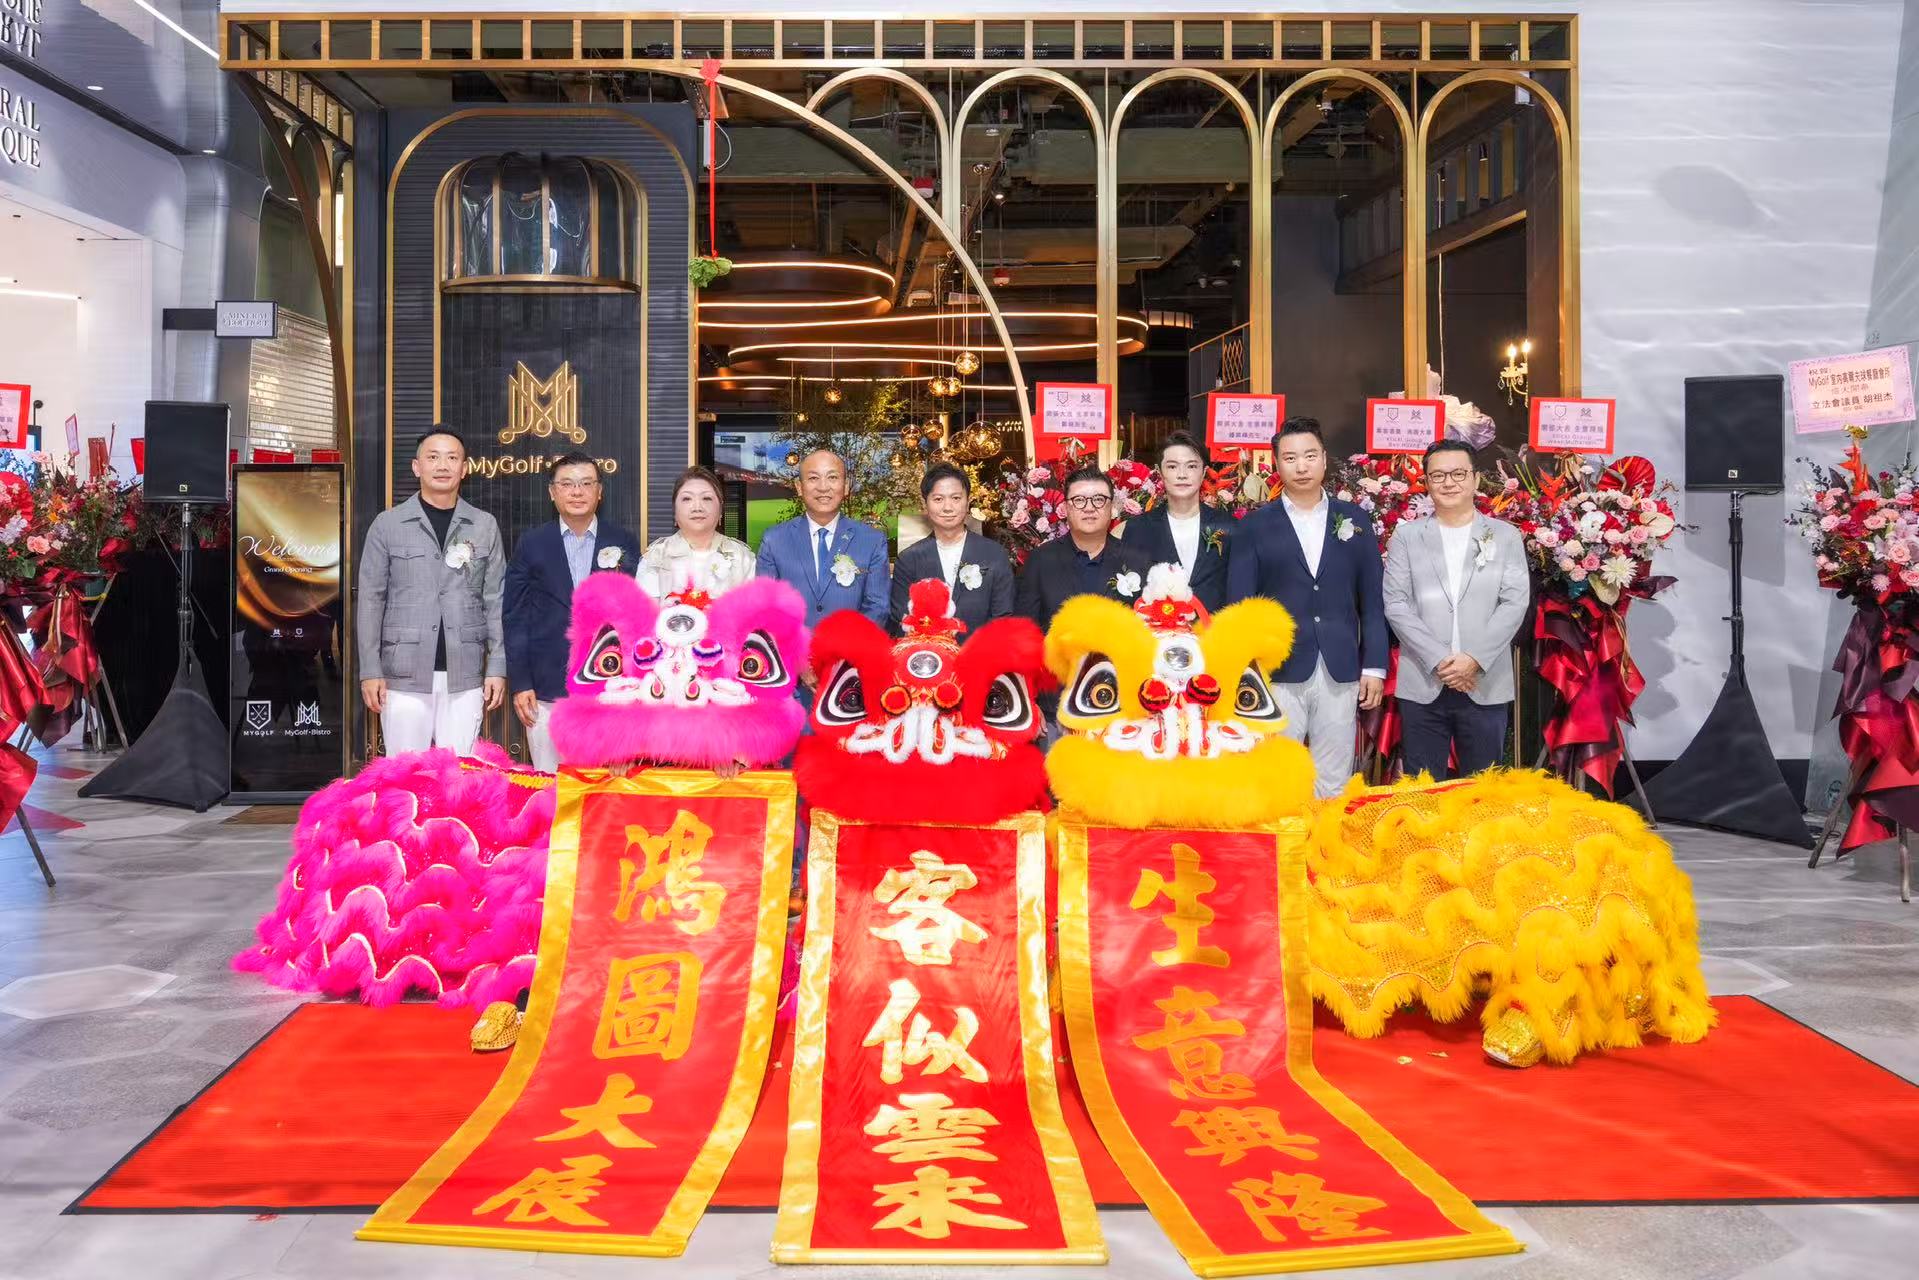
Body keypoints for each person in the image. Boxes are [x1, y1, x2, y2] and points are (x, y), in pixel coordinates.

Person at [1224, 417, 1387, 798]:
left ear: (1324, 459)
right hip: (1277, 672)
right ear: (1276, 464)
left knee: (1333, 780)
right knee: (1277, 780)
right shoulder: (1254, 527)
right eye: (1291, 458)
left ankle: (1327, 838)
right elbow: (1239, 606)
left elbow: (1372, 601)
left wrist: (1374, 666)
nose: (1301, 466)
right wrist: (1245, 672)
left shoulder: (1354, 519)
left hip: (1339, 668)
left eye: (1310, 456)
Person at [1383, 438, 1530, 780]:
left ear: (1476, 479)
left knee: (1483, 789)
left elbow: (1514, 602)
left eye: (1459, 474)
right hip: (1424, 680)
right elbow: (1396, 603)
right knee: (1423, 789)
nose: (1448, 482)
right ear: (1427, 482)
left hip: (1484, 680)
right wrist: (1439, 660)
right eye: (1438, 476)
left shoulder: (1504, 536)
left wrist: (1473, 659)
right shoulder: (1406, 537)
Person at [356, 427, 505, 755]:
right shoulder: (388, 525)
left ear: (464, 468)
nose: (442, 465)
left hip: (464, 674)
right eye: (433, 457)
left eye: (452, 458)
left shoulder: (484, 525)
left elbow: (495, 600)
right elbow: (370, 600)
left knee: (458, 774)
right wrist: (370, 669)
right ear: (416, 466)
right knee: (405, 773)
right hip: (402, 674)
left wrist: (497, 665)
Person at [501, 451, 644, 772]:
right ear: (552, 492)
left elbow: (635, 617)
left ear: (599, 491)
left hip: (608, 689)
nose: (577, 492)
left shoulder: (622, 541)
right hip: (546, 689)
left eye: (586, 483)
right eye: (567, 484)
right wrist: (521, 683)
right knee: (550, 782)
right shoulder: (532, 543)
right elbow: (515, 617)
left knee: (603, 786)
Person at [754, 449, 889, 631]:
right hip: (791, 647)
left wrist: (846, 645)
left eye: (832, 477)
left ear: (846, 486)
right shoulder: (774, 540)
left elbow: (878, 607)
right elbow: (766, 605)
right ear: (799, 487)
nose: (823, 487)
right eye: (813, 478)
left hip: (850, 647)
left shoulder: (872, 540)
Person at [1016, 465, 1155, 631]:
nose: (1089, 508)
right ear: (1066, 508)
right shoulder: (1040, 561)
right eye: (1079, 500)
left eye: (1099, 500)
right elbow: (1023, 630)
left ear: (1111, 508)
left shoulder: (1138, 561)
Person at [889, 461, 1015, 634]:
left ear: (968, 502)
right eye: (938, 499)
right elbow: (902, 618)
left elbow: (1003, 618)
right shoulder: (909, 560)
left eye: (956, 498)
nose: (947, 508)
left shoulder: (994, 555)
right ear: (925, 504)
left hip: (982, 650)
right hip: (926, 649)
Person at [1121, 430, 1233, 612]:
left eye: (1191, 466)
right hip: (1157, 627)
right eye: (1172, 467)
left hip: (1215, 628)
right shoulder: (1138, 528)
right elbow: (1131, 592)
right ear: (1160, 472)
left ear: (1204, 472)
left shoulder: (1229, 527)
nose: (1182, 474)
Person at [636, 465, 757, 602]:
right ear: (675, 511)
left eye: (707, 498)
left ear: (720, 510)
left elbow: (751, 609)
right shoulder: (657, 556)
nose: (697, 507)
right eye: (687, 499)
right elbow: (645, 611)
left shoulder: (742, 557)